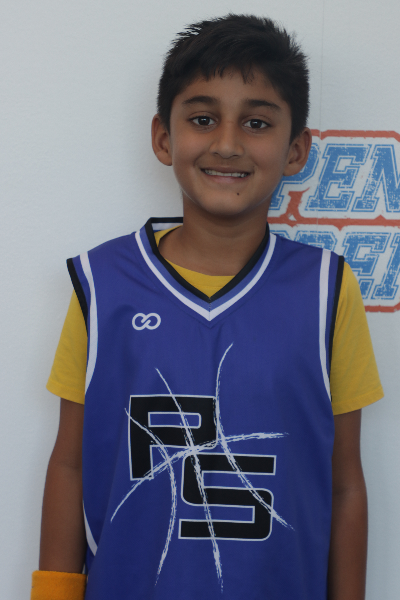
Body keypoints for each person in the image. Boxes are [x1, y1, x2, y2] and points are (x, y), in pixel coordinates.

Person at [31, 14, 383, 600]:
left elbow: (345, 483)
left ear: (296, 149)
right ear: (163, 138)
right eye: (202, 119)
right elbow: (70, 464)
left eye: (256, 122)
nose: (227, 143)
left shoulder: (327, 289)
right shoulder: (102, 283)